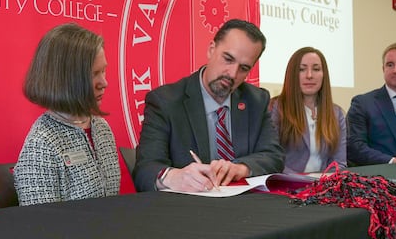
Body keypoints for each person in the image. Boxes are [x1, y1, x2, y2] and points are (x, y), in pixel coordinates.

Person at [133, 18, 284, 192]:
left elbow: (274, 157)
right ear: (211, 50)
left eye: (243, 68)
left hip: (245, 210)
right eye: (228, 59)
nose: (232, 74)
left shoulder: (257, 100)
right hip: (187, 211)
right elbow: (145, 170)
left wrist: (241, 168)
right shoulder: (165, 101)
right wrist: (173, 176)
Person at [14, 23, 120, 205]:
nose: (104, 82)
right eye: (94, 74)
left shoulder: (101, 128)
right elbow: (41, 225)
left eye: (103, 71)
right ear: (66, 79)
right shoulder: (41, 144)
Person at [270, 47, 346, 173]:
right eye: (301, 69)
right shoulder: (276, 108)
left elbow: (339, 163)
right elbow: (272, 159)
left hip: (323, 186)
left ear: (324, 75)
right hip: (286, 186)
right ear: (292, 74)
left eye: (316, 69)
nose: (309, 75)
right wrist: (301, 181)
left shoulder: (336, 113)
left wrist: (324, 183)